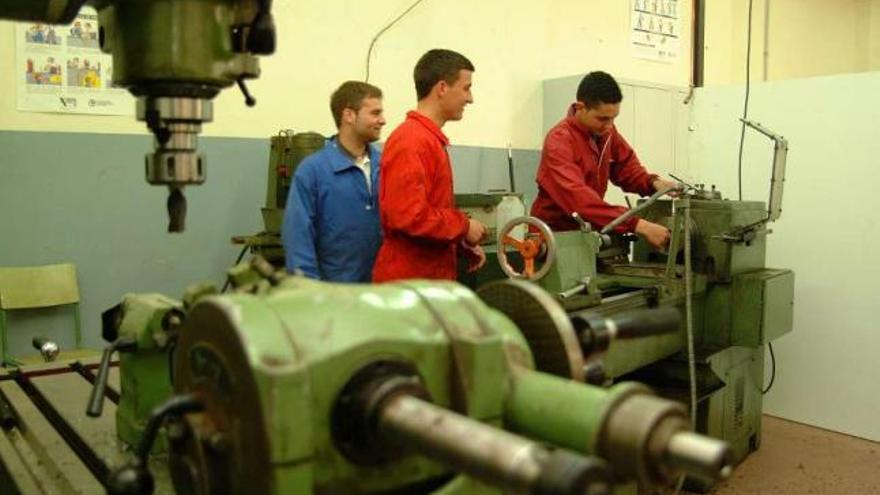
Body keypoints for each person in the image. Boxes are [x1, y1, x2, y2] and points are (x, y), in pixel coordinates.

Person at [372, 49, 487, 282]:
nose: (470, 98)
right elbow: (408, 216)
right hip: (408, 286)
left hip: (426, 280)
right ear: (442, 88)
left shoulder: (428, 140)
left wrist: (459, 242)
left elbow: (427, 213)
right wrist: (463, 226)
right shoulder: (411, 140)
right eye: (466, 88)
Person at [530, 71, 678, 249]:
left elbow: (627, 168)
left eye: (614, 118)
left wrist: (653, 183)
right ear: (580, 107)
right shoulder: (559, 141)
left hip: (586, 233)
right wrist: (638, 225)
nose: (609, 125)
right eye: (603, 118)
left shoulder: (606, 133)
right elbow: (580, 202)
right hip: (552, 238)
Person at [282, 81, 385, 282]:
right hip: (334, 297)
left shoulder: (386, 165)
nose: (383, 120)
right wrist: (310, 291)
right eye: (375, 113)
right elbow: (298, 239)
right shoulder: (313, 172)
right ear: (349, 115)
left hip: (380, 295)